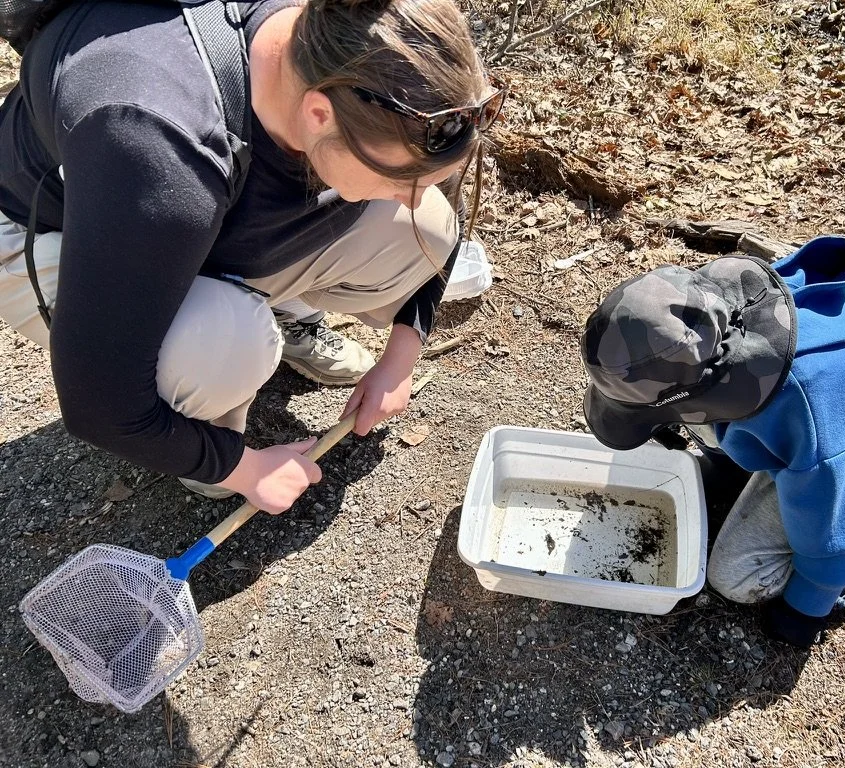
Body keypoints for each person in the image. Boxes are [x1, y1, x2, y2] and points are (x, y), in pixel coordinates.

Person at [0, 0, 504, 513]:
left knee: (428, 230)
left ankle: (270, 306)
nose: (414, 195)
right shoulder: (159, 147)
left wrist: (401, 358)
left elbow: (442, 199)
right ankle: (202, 425)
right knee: (227, 339)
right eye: (399, 179)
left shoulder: (353, 63)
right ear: (318, 115)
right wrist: (243, 468)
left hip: (189, 217)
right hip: (52, 230)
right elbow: (98, 404)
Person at [580, 236, 845, 647]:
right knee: (699, 437)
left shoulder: (812, 406)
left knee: (736, 579)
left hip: (832, 471)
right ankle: (735, 470)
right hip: (781, 431)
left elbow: (832, 512)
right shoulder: (703, 324)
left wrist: (810, 601)